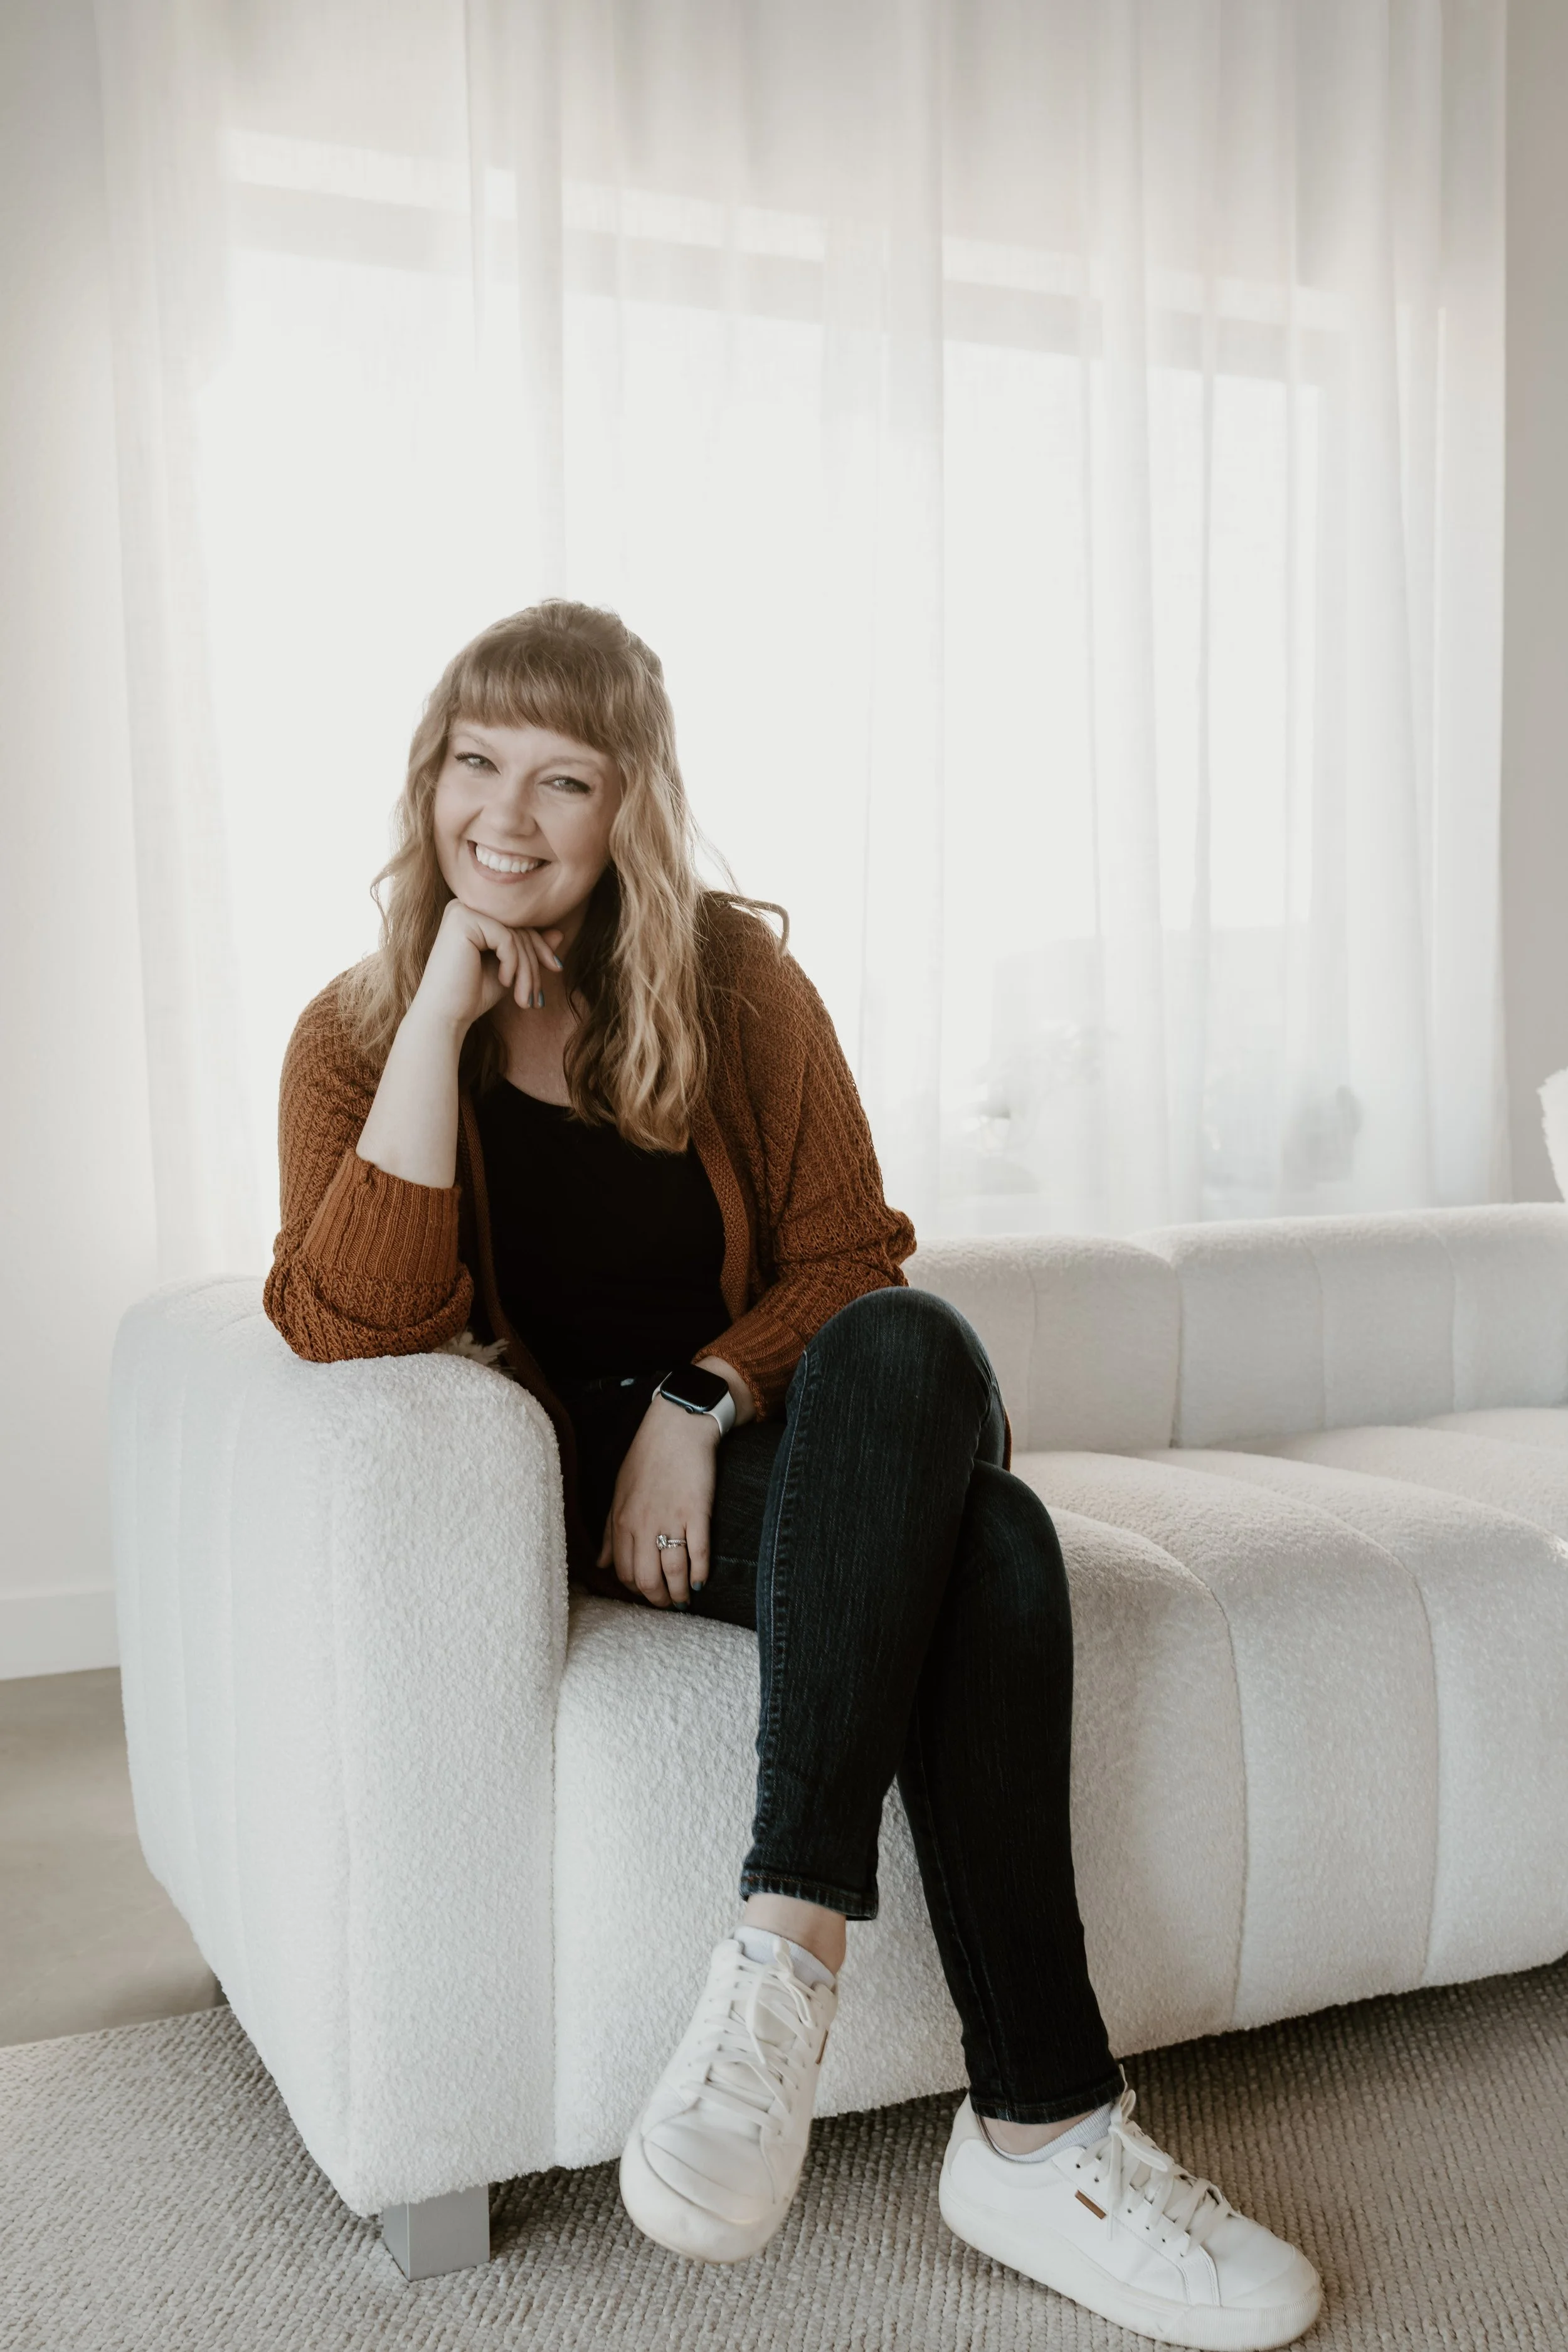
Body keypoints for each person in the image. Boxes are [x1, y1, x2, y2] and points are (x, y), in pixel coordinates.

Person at [265, 599, 1322, 2349]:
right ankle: (1045, 2134)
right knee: (995, 1544)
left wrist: (701, 1399)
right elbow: (349, 1323)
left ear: (631, 805)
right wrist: (436, 1017)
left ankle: (781, 1953)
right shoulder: (354, 1035)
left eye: (562, 777)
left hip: (787, 1451)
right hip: (582, 1491)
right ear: (426, 778)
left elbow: (851, 1257)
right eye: (473, 762)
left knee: (910, 1347)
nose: (505, 816)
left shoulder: (734, 987)